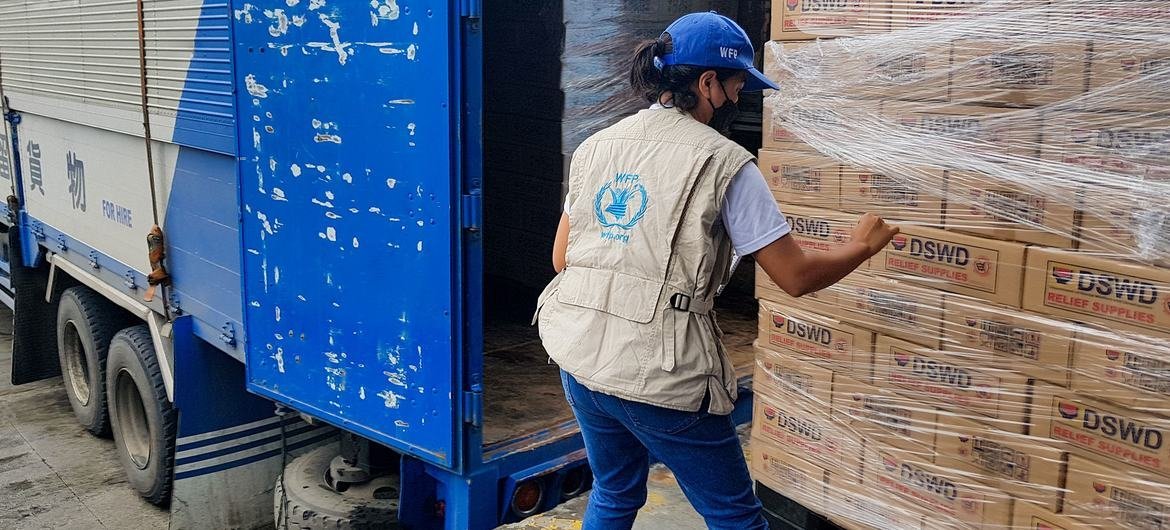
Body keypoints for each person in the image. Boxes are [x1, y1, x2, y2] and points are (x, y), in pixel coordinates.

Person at [534, 11, 899, 530]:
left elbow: (561, 259)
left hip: (579, 355)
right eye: (735, 86)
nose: (737, 99)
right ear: (707, 83)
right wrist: (861, 247)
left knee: (614, 492)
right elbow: (794, 277)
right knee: (735, 515)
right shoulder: (725, 164)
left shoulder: (598, 145)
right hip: (659, 374)